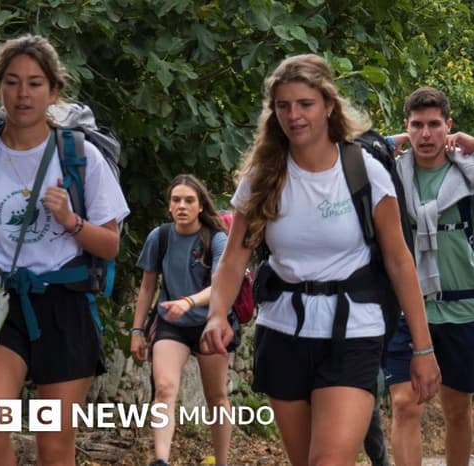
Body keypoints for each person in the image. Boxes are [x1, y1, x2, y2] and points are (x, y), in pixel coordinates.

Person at [197, 54, 441, 466]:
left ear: (328, 105)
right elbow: (234, 258)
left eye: (305, 104)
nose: (294, 115)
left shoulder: (365, 171)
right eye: (283, 106)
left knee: (327, 461)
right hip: (284, 332)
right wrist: (217, 314)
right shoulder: (262, 177)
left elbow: (400, 262)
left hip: (355, 330)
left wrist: (422, 348)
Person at [0, 34, 129, 466]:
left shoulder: (80, 157)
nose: (23, 94)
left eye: (36, 83)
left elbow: (111, 245)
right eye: (13, 81)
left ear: (54, 91)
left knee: (54, 445)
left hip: (66, 302)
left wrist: (71, 221)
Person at [384, 86, 474, 466]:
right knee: (404, 404)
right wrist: (400, 140)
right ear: (406, 127)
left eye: (435, 125)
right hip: (405, 310)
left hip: (462, 311)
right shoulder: (392, 174)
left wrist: (473, 142)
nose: (426, 134)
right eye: (417, 125)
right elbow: (357, 145)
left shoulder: (470, 174)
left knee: (457, 410)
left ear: (449, 127)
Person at [130, 174, 232, 466]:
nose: (182, 206)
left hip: (209, 323)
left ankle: (222, 462)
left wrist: (188, 302)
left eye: (189, 200)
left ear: (201, 206)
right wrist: (137, 330)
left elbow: (222, 285)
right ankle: (161, 460)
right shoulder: (159, 237)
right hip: (170, 324)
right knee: (164, 389)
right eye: (176, 200)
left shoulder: (216, 239)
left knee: (216, 397)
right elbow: (147, 287)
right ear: (169, 206)